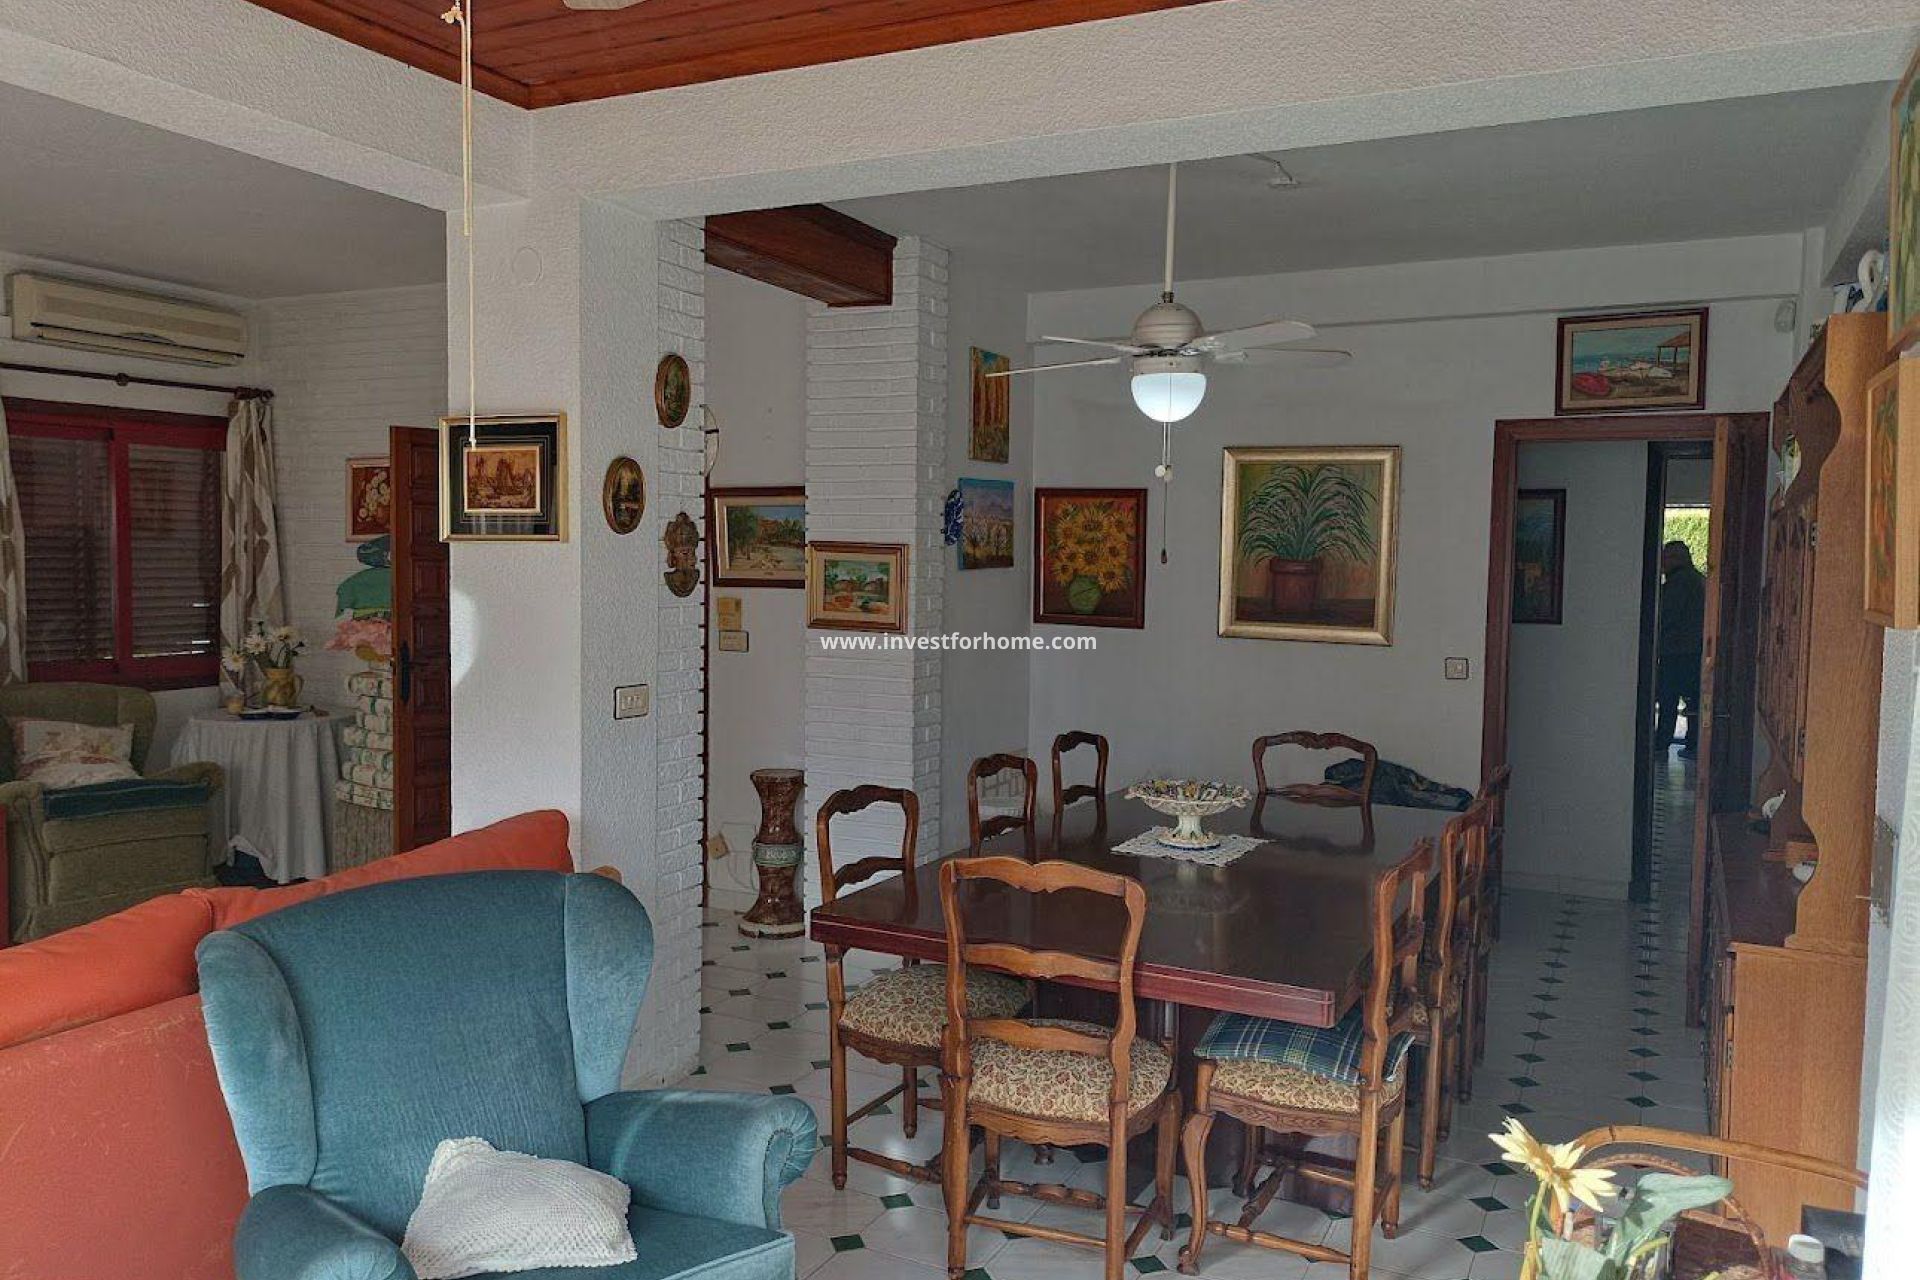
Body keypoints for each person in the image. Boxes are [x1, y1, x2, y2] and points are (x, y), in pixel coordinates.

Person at [1654, 539, 1706, 758]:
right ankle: (1693, 743)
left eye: (1665, 558)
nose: (1662, 564)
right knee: (1694, 700)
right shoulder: (1699, 581)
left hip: (1676, 651)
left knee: (1668, 699)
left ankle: (1661, 743)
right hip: (1694, 650)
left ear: (1675, 559)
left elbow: (1666, 616)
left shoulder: (1678, 585)